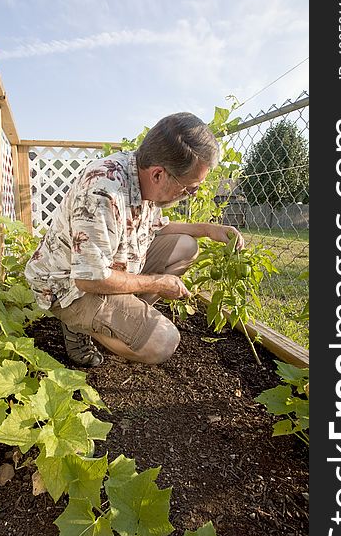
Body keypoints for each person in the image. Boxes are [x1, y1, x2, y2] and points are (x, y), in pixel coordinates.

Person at [25, 112, 244, 368]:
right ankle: (78, 326)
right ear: (159, 174)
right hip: (67, 286)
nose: (190, 195)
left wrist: (208, 229)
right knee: (162, 342)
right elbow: (88, 278)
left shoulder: (138, 172)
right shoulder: (103, 191)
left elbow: (157, 227)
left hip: (105, 270)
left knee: (186, 245)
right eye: (189, 188)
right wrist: (157, 283)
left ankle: (116, 319)